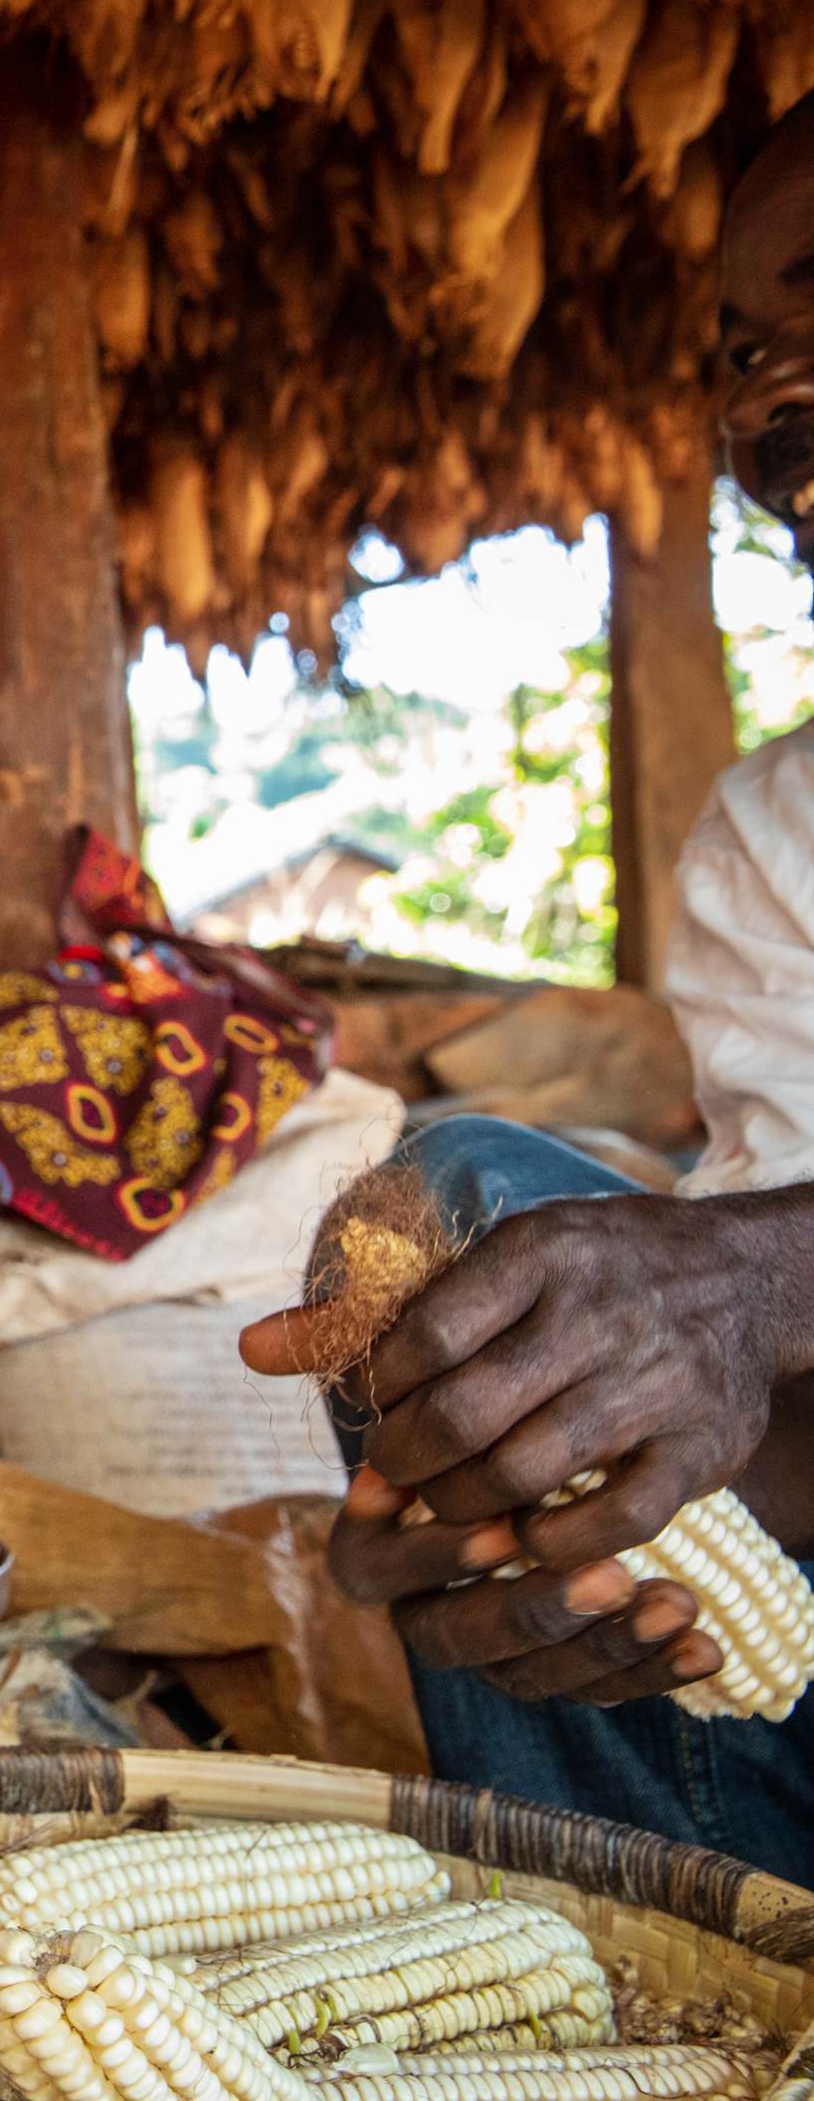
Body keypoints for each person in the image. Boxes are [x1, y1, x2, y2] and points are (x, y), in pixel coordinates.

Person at [243, 96, 814, 1875]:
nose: (780, 395)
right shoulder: (774, 842)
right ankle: (655, 1959)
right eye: (750, 348)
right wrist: (552, 1509)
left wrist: (764, 1264)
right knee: (447, 1215)